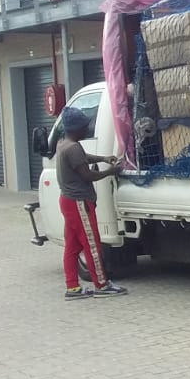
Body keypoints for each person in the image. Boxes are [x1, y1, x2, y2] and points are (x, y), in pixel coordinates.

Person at [56, 107, 128, 299]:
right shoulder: (73, 148)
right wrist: (110, 171)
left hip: (68, 201)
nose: (87, 130)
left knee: (72, 247)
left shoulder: (63, 143)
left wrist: (103, 158)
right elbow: (87, 175)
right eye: (84, 127)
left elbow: (83, 159)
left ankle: (72, 287)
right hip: (79, 203)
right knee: (92, 244)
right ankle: (102, 285)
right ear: (75, 128)